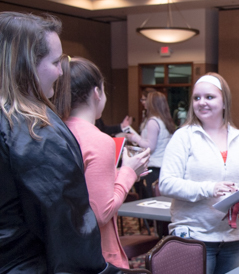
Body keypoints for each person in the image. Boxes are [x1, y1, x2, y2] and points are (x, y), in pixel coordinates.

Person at [0, 11, 120, 273]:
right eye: (56, 62)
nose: (60, 72)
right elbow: (69, 232)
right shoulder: (33, 131)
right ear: (25, 64)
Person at [52, 55, 151, 269]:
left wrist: (118, 174)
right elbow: (100, 213)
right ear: (97, 93)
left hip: (61, 251)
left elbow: (78, 188)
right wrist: (127, 174)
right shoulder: (99, 140)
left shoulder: (54, 131)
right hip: (96, 255)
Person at [159, 72, 239, 274]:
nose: (202, 103)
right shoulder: (184, 136)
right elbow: (166, 183)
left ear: (225, 102)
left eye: (209, 97)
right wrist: (210, 188)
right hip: (194, 235)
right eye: (197, 98)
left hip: (232, 235)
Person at [126, 91, 176, 198]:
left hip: (153, 168)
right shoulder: (165, 121)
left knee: (149, 201)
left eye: (146, 100)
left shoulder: (153, 122)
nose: (144, 103)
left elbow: (150, 146)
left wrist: (135, 138)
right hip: (163, 166)